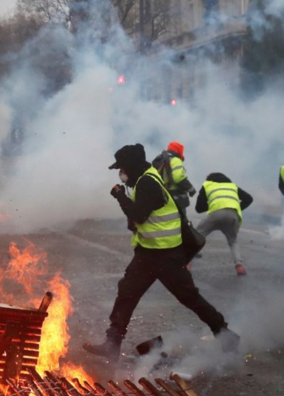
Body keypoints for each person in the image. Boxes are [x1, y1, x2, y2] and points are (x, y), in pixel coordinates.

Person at [83, 144, 238, 362]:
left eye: (123, 168)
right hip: (148, 253)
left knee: (189, 297)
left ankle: (224, 334)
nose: (121, 173)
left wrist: (119, 196)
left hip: (167, 256)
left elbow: (139, 215)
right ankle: (112, 343)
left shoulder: (148, 182)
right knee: (126, 292)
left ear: (132, 166)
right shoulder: (144, 179)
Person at [194, 173, 254, 276]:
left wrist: (213, 203)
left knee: (195, 237)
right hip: (232, 215)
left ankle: (187, 265)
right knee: (233, 241)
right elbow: (249, 199)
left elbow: (198, 208)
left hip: (215, 215)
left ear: (209, 180)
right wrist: (237, 208)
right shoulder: (232, 186)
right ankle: (239, 265)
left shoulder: (207, 185)